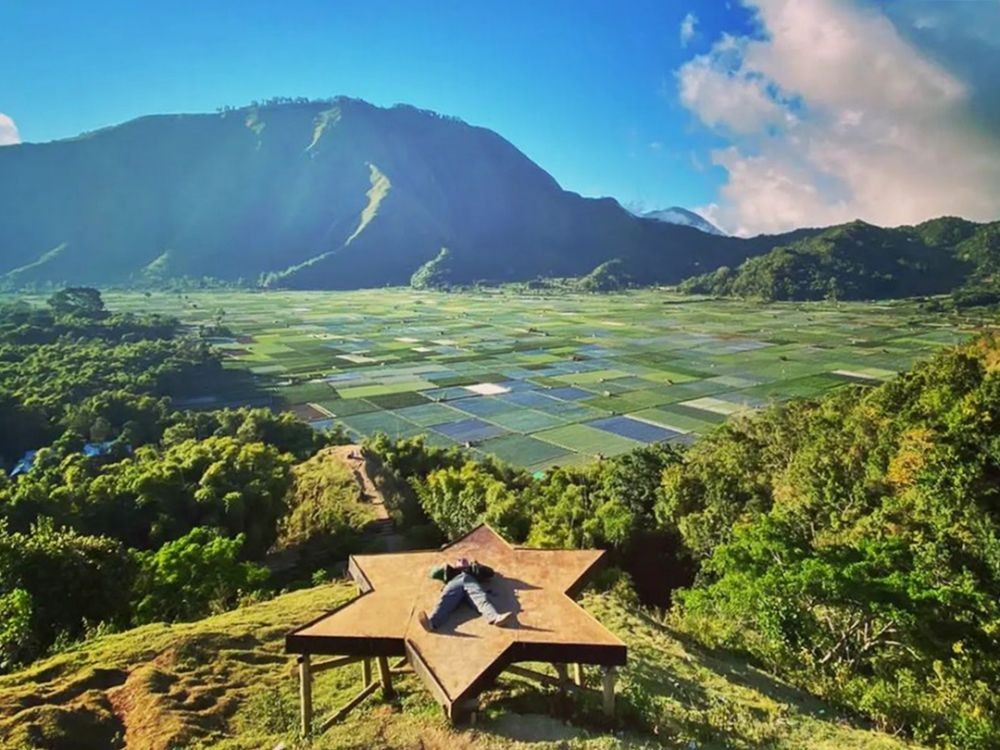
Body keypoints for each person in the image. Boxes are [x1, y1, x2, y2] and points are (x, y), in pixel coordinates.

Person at [418, 557, 512, 630]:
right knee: (445, 601)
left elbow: (490, 573)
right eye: (460, 567)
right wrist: (443, 568)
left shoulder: (473, 572)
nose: (463, 569)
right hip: (455, 584)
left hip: (470, 584)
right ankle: (431, 623)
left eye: (465, 567)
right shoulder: (451, 573)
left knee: (480, 598)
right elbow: (432, 574)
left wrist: (480, 567)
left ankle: (495, 617)